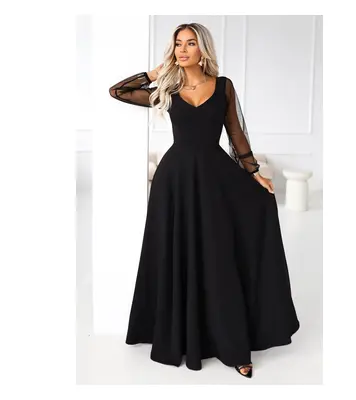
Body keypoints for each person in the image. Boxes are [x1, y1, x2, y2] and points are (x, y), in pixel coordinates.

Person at [109, 22, 300, 378]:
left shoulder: (223, 86)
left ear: (203, 49)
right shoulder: (167, 88)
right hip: (175, 180)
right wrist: (155, 73)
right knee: (179, 254)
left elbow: (235, 132)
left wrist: (254, 172)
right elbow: (118, 91)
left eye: (190, 43)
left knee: (219, 255)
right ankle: (182, 335)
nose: (182, 50)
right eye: (178, 44)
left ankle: (234, 345)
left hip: (215, 176)